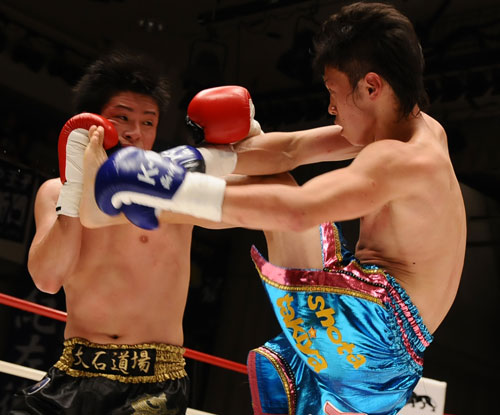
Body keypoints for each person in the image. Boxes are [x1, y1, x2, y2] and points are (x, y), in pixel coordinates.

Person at [89, 2, 466, 415]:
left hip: (373, 341)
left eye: (333, 92)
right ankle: (145, 196)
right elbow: (289, 149)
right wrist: (192, 160)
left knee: (279, 194)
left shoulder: (402, 160)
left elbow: (298, 211)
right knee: (272, 178)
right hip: (376, 345)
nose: (331, 107)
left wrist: (174, 188)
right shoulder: (416, 129)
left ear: (371, 87)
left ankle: (141, 201)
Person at [9, 49, 194, 415]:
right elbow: (47, 279)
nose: (135, 132)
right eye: (121, 117)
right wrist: (75, 191)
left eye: (148, 122)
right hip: (74, 371)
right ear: (91, 121)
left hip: (153, 381)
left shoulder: (177, 188)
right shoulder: (56, 192)